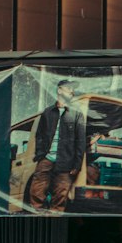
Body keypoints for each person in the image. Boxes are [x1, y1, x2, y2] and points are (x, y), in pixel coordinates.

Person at [29, 79, 87, 214]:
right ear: (59, 90)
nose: (72, 91)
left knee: (60, 196)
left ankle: (53, 222)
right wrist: (40, 155)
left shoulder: (77, 114)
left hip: (66, 162)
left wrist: (77, 165)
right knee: (36, 191)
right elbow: (40, 135)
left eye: (73, 89)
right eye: (69, 88)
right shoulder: (47, 112)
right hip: (46, 159)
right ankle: (38, 219)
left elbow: (81, 141)